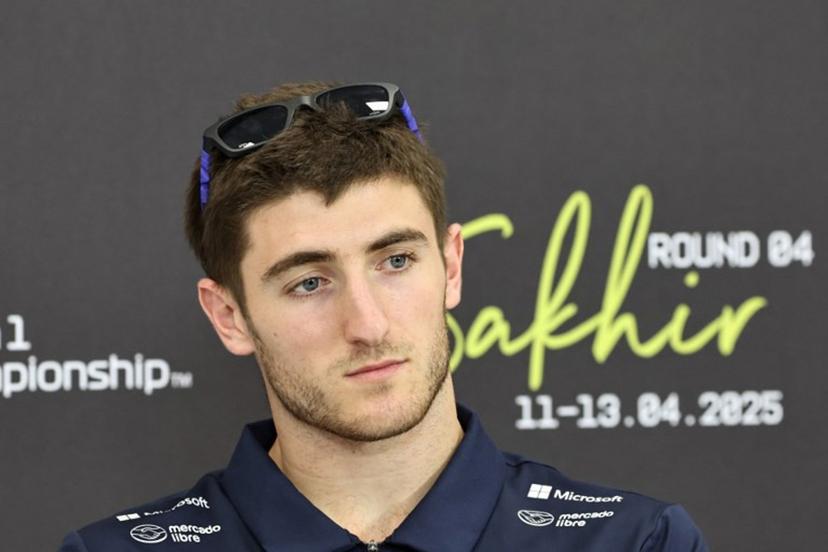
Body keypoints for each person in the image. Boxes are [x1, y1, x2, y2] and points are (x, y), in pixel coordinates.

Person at [59, 81, 708, 551]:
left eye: (395, 261)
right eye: (310, 282)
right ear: (229, 316)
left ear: (451, 267)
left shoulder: (635, 543)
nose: (367, 324)